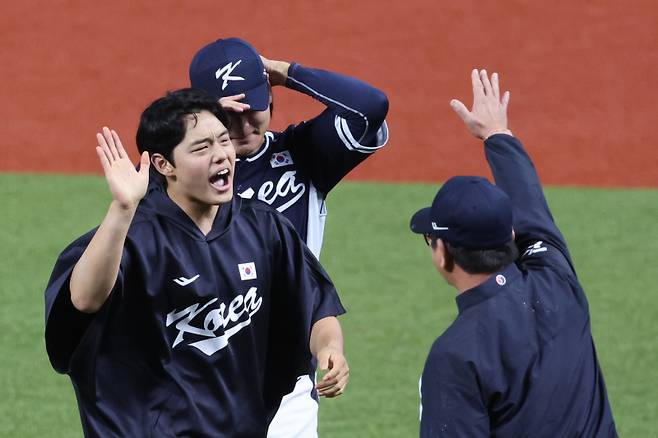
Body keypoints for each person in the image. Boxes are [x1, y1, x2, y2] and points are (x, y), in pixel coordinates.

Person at [44, 88, 348, 437]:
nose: (221, 155)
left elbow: (314, 304)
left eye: (223, 140)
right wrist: (122, 209)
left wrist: (330, 349)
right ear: (163, 164)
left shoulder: (263, 227)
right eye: (202, 148)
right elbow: (83, 299)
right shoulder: (135, 237)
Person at [186, 37, 389, 436]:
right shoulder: (186, 173)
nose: (245, 125)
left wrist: (285, 72)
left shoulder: (303, 153)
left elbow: (371, 106)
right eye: (230, 115)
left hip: (289, 374)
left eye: (254, 109)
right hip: (202, 369)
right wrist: (193, 117)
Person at [409, 69, 617, 437]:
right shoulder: (556, 280)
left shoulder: (457, 356)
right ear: (511, 235)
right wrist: (496, 134)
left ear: (443, 254)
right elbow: (531, 208)